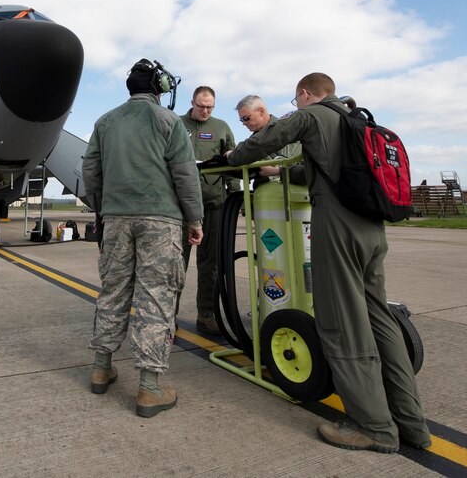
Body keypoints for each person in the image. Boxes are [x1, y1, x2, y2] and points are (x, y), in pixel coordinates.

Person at [226, 73, 431, 453]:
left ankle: (373, 426)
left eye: (296, 100)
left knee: (342, 324)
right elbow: (318, 170)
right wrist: (280, 172)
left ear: (306, 94)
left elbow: (264, 141)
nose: (296, 105)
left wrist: (230, 158)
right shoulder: (357, 120)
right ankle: (412, 425)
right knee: (379, 318)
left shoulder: (312, 115)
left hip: (338, 228)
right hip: (373, 230)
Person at [83, 59, 204, 418]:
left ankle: (101, 367)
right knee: (155, 297)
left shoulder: (105, 122)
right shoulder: (168, 122)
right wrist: (194, 219)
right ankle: (149, 388)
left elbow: (91, 173)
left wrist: (105, 209)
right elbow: (185, 175)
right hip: (161, 221)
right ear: (159, 88)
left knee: (113, 291)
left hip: (116, 219)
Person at [179, 86, 239, 336]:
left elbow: (234, 163)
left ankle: (206, 314)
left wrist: (236, 196)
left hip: (214, 203)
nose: (205, 111)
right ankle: (166, 318)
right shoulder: (175, 124)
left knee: (210, 264)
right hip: (180, 206)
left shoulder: (222, 127)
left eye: (210, 107)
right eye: (201, 105)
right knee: (174, 264)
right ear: (192, 102)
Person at [235, 94, 302, 183]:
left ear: (261, 111)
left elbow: (289, 161)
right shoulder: (252, 141)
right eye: (241, 120)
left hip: (288, 188)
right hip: (263, 189)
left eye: (246, 118)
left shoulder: (285, 130)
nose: (244, 123)